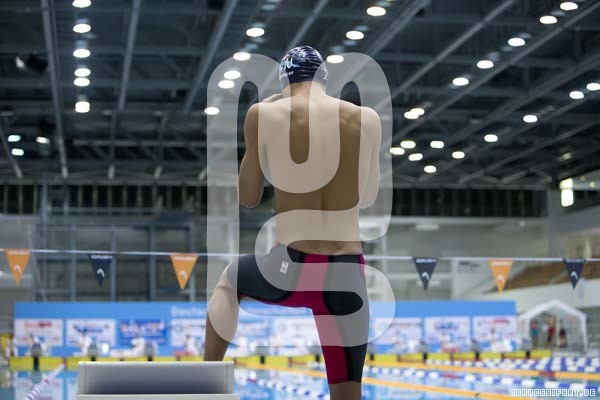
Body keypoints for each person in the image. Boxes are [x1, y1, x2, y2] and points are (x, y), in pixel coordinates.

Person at [204, 45, 381, 400]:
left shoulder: (264, 114)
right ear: (323, 80)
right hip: (349, 273)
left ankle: (205, 386)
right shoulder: (368, 119)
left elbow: (248, 196)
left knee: (229, 282)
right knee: (347, 392)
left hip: (293, 268)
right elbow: (367, 195)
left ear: (284, 82)